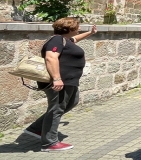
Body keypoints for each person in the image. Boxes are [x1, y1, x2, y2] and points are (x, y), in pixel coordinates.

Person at [24, 17, 97, 151]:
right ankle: (49, 143)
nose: (79, 29)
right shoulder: (56, 40)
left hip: (70, 81)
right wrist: (57, 78)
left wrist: (90, 33)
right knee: (56, 108)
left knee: (72, 102)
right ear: (70, 28)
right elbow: (51, 57)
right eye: (77, 27)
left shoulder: (65, 40)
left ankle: (37, 128)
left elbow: (75, 40)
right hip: (60, 81)